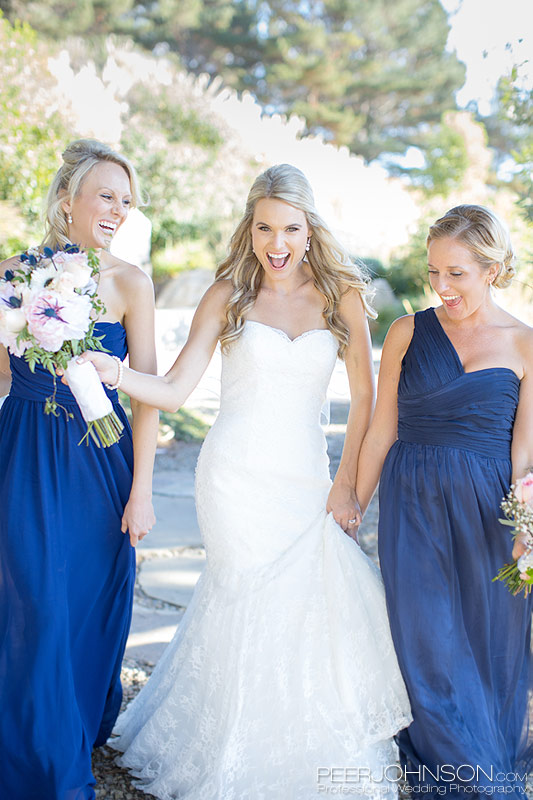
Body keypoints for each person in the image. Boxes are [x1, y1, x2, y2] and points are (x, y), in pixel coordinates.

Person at [79, 163, 412, 799]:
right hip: (232, 479)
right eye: (264, 227)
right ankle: (231, 751)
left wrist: (348, 486)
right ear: (250, 228)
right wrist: (114, 374)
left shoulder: (341, 297)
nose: (276, 243)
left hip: (305, 478)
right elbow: (174, 390)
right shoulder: (227, 295)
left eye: (289, 227)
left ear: (309, 228)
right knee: (248, 602)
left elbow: (366, 403)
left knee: (306, 607)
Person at [356, 204, 533, 798]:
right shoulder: (407, 333)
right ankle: (471, 783)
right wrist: (353, 506)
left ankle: (485, 763)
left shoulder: (526, 345)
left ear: (494, 268)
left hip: (491, 517)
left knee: (489, 651)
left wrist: (526, 525)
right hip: (413, 506)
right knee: (426, 642)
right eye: (434, 273)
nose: (442, 287)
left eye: (456, 273)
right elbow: (381, 431)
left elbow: (525, 454)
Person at [0, 139, 159, 800]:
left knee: (82, 605)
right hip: (27, 453)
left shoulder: (131, 283)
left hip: (103, 465)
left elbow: (147, 391)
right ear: (67, 201)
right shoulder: (14, 271)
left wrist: (142, 491)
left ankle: (67, 731)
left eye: (126, 200)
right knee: (34, 601)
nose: (117, 210)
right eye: (105, 195)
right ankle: (47, 769)